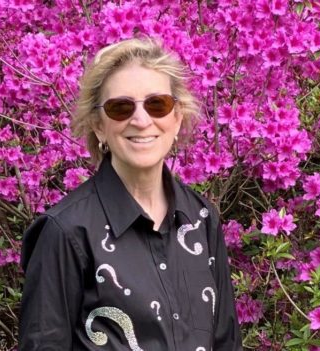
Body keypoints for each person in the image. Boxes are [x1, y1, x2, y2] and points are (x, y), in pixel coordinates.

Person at [18, 37, 243, 350]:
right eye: (121, 107)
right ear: (98, 125)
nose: (141, 120)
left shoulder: (201, 218)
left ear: (176, 117)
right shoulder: (66, 232)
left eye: (157, 104)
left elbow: (225, 342)